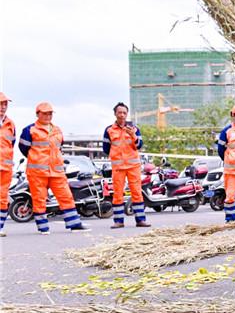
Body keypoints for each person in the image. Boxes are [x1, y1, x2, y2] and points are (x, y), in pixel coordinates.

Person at [18, 102, 89, 234]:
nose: (48, 116)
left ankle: (74, 224)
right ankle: (43, 227)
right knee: (39, 199)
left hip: (57, 171)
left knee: (66, 196)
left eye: (50, 113)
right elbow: (24, 148)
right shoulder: (29, 130)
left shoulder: (57, 130)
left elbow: (58, 147)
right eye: (45, 113)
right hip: (38, 172)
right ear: (37, 114)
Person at [102, 102, 149, 228]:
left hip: (133, 166)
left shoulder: (134, 128)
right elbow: (105, 149)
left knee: (137, 192)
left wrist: (133, 136)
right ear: (115, 114)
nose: (122, 115)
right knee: (117, 193)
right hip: (118, 168)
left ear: (127, 114)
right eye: (119, 112)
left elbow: (139, 146)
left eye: (124, 112)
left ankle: (140, 220)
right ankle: (118, 221)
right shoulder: (109, 130)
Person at [0, 92, 15, 237]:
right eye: (0, 103)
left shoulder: (10, 124)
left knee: (2, 198)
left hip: (5, 167)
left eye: (5, 104)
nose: (3, 107)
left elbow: (12, 144)